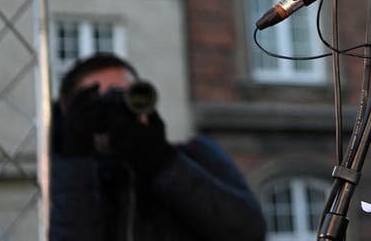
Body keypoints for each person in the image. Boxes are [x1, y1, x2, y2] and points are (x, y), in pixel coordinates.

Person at [50, 53, 266, 240]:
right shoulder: (58, 174)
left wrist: (160, 161)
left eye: (128, 98)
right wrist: (76, 156)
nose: (118, 112)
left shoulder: (196, 155)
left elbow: (248, 231)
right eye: (101, 105)